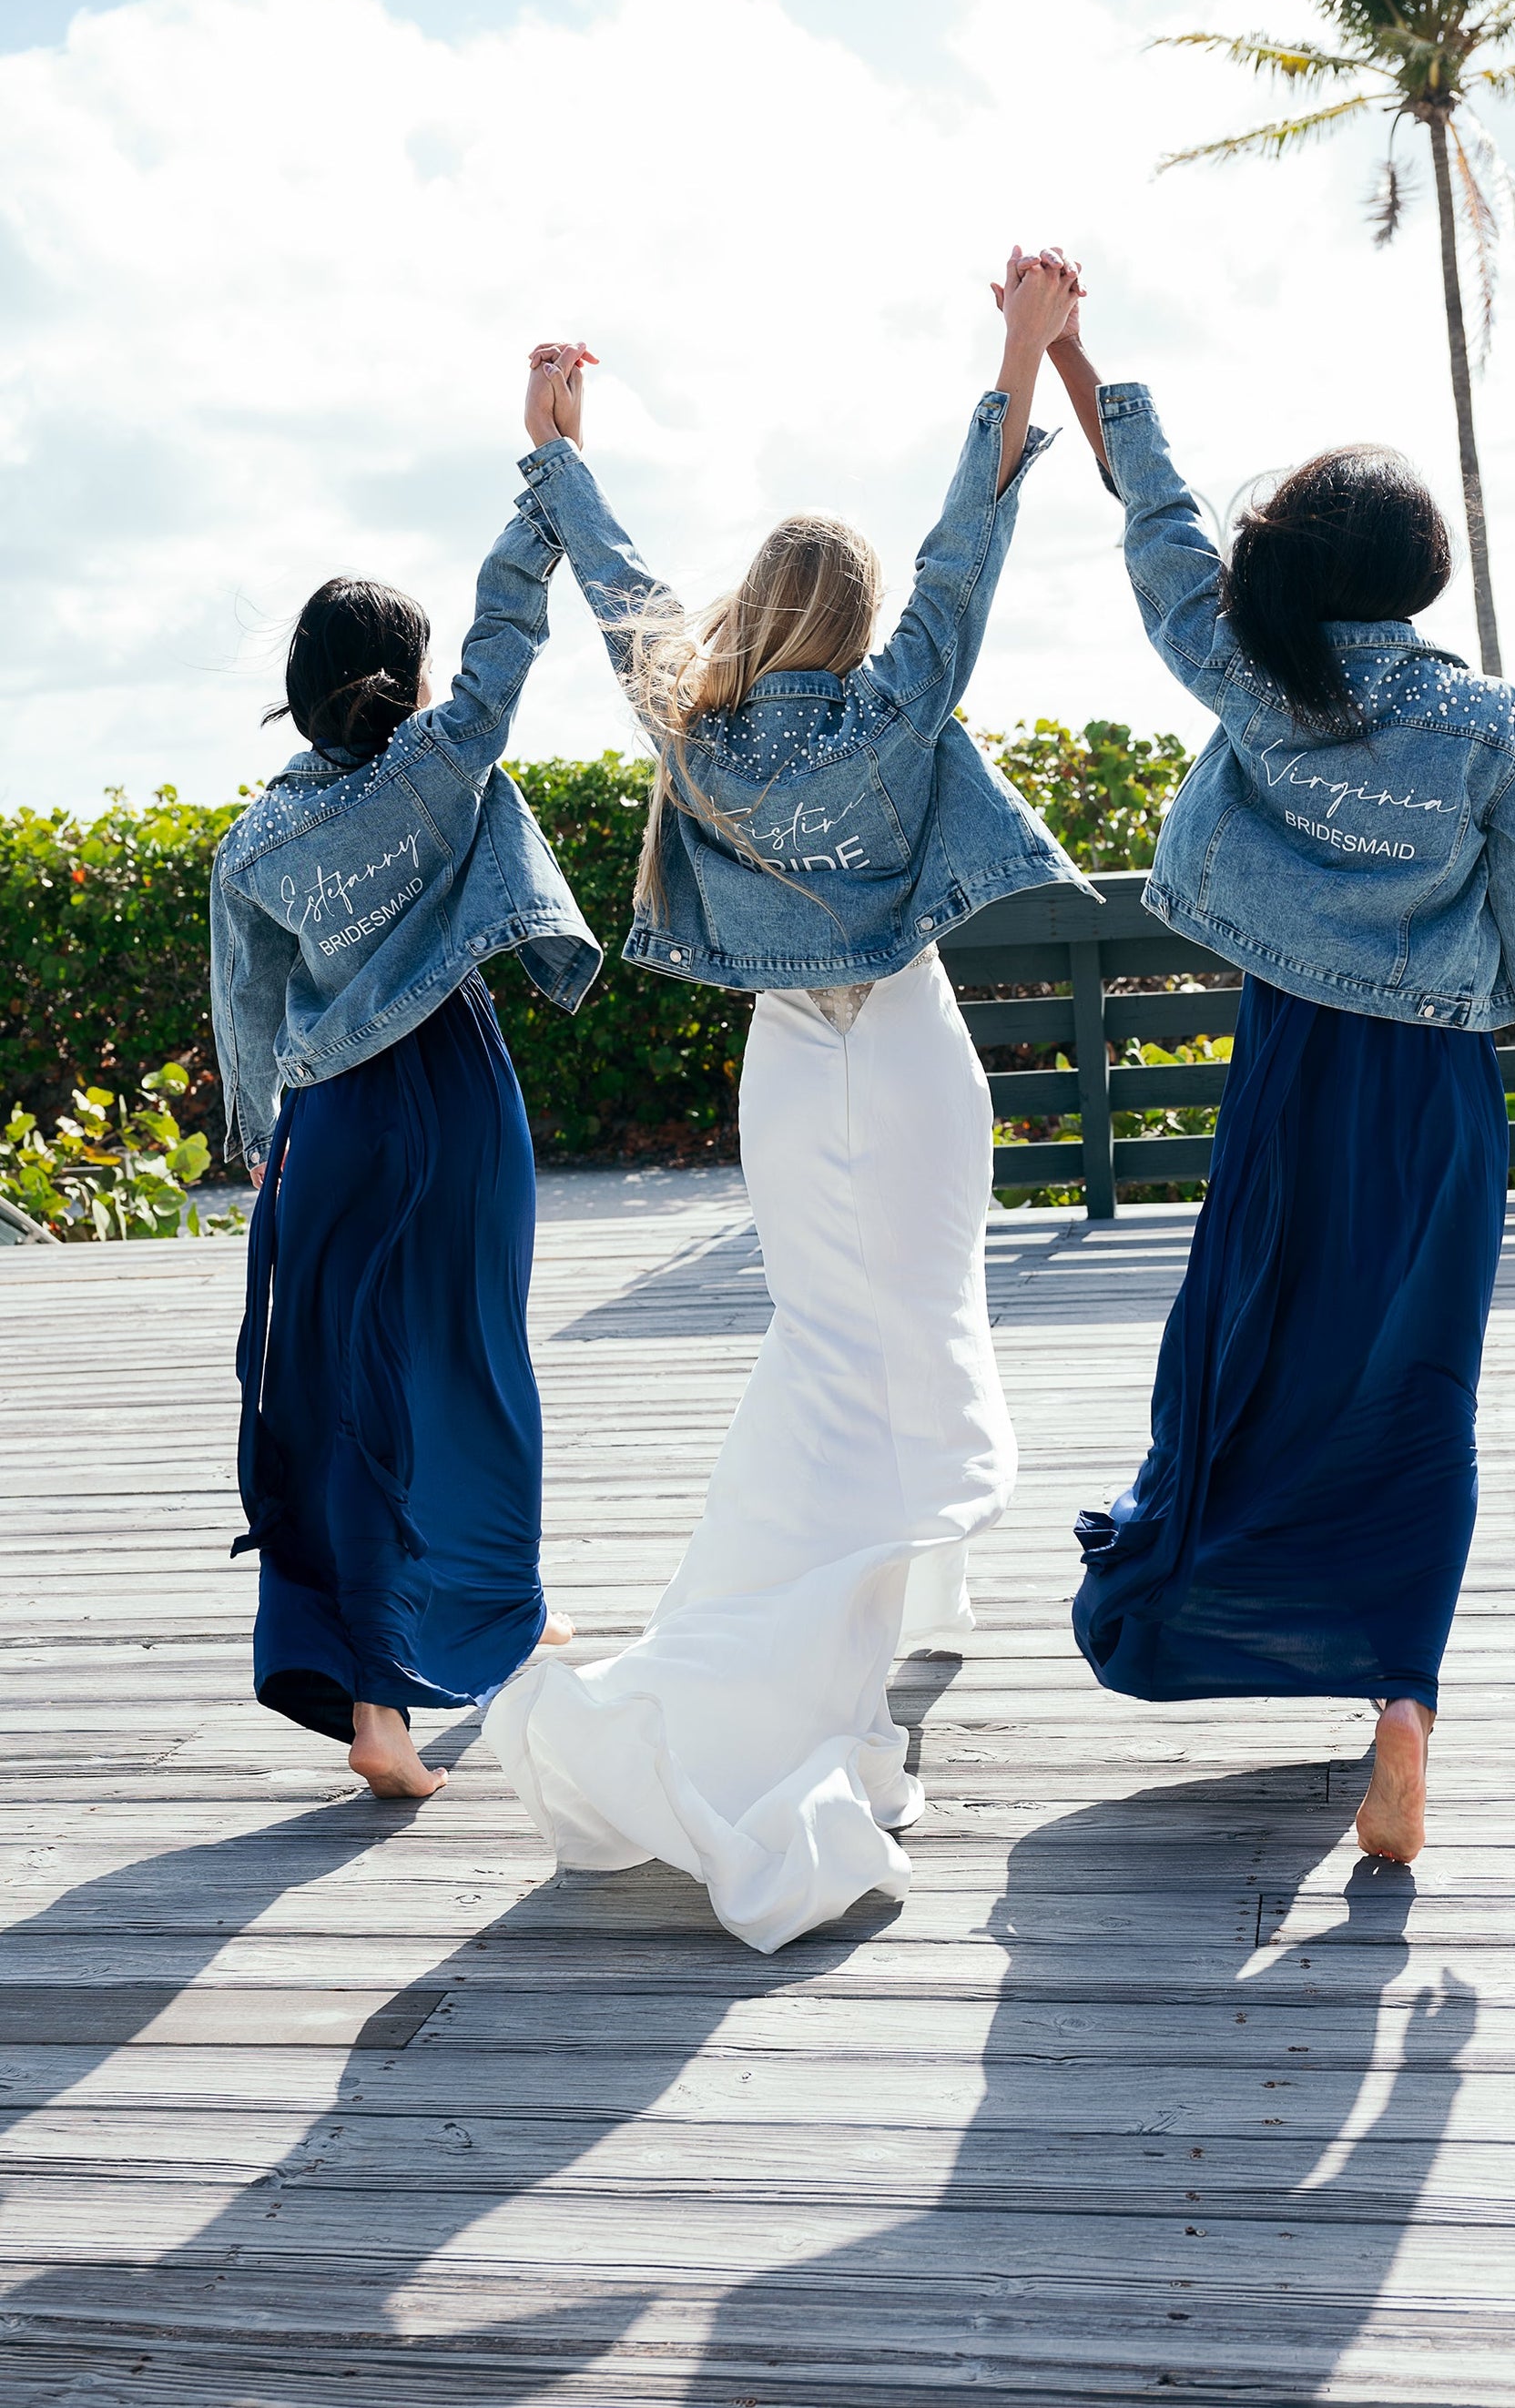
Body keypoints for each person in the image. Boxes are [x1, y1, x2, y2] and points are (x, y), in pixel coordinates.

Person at [483, 251, 1093, 1951]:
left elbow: (621, 588)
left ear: (760, 612)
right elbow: (971, 541)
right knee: (913, 1326)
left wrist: (558, 448)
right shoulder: (902, 706)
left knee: (831, 1343)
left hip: (785, 1064)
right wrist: (1020, 352)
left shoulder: (702, 727)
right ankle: (813, 1679)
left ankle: (828, 1648)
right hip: (903, 1053)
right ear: (858, 618)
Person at [1038, 269, 1515, 1865]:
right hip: (1435, 1103)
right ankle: (1401, 1712)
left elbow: (1155, 527)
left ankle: (1229, 1598)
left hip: (1290, 1078)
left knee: (1257, 1350)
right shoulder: (1490, 723)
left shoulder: (1253, 668)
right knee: (1418, 1388)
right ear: (1420, 573)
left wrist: (1077, 354)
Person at [210, 356, 605, 1798]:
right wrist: (547, 464)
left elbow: (246, 1014)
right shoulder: (448, 761)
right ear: (414, 679)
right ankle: (494, 1623)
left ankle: (402, 1687)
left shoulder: (253, 842)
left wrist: (271, 1144)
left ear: (298, 697)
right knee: (478, 1369)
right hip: (458, 1098)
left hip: (339, 1123)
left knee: (352, 1398)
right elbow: (514, 625)